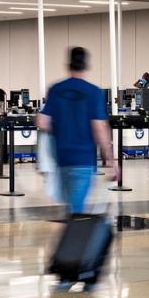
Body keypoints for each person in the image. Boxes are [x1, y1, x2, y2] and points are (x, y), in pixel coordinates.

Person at [37, 47, 116, 216]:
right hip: (83, 158)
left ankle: (73, 236)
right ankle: (74, 239)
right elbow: (99, 129)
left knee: (72, 206)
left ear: (67, 65)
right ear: (87, 66)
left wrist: (63, 127)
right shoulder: (94, 92)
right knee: (76, 210)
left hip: (62, 158)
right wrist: (111, 161)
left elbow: (42, 122)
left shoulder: (56, 89)